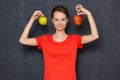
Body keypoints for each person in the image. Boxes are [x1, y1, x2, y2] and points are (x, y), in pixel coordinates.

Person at [19, 4, 99, 80]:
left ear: (67, 20)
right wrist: (32, 19)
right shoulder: (44, 40)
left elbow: (94, 36)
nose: (60, 23)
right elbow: (23, 40)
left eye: (63, 19)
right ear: (52, 21)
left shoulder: (74, 40)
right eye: (56, 19)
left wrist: (89, 14)